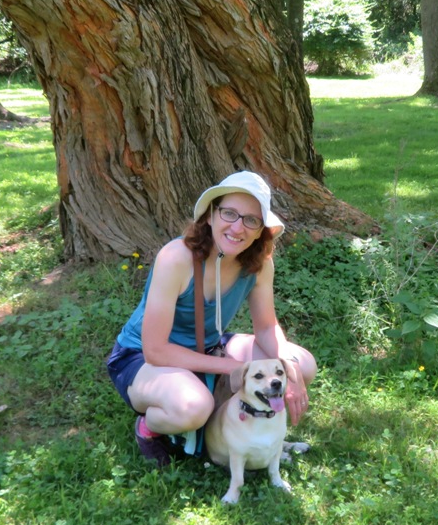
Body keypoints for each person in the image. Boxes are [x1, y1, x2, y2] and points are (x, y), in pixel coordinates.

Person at [106, 171, 317, 466]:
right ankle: (149, 429)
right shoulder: (176, 258)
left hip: (208, 346)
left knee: (302, 364)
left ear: (261, 230)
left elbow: (267, 327)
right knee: (193, 407)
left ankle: (241, 428)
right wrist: (235, 368)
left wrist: (289, 369)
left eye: (251, 220)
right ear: (209, 215)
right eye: (229, 213)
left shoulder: (259, 263)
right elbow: (155, 350)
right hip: (142, 357)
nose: (237, 227)